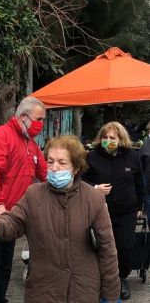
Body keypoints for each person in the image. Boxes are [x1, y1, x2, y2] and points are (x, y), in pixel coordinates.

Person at [0, 135, 120, 303]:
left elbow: (107, 247)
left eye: (62, 162)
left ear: (76, 168)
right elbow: (15, 220)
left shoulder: (94, 198)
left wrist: (110, 293)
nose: (54, 168)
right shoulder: (34, 194)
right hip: (43, 290)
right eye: (50, 161)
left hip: (82, 290)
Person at [0, 96, 47, 303]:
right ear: (23, 117)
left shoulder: (30, 143)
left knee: (5, 263)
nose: (41, 124)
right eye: (39, 119)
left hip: (12, 215)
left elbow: (44, 172)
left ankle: (0, 299)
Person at [82, 121, 145, 301]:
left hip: (127, 211)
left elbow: (139, 183)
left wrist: (140, 207)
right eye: (105, 137)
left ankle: (121, 278)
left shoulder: (132, 156)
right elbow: (81, 180)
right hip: (100, 210)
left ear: (120, 139)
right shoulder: (92, 157)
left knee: (125, 245)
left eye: (112, 138)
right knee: (100, 246)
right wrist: (95, 188)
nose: (108, 141)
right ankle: (102, 280)